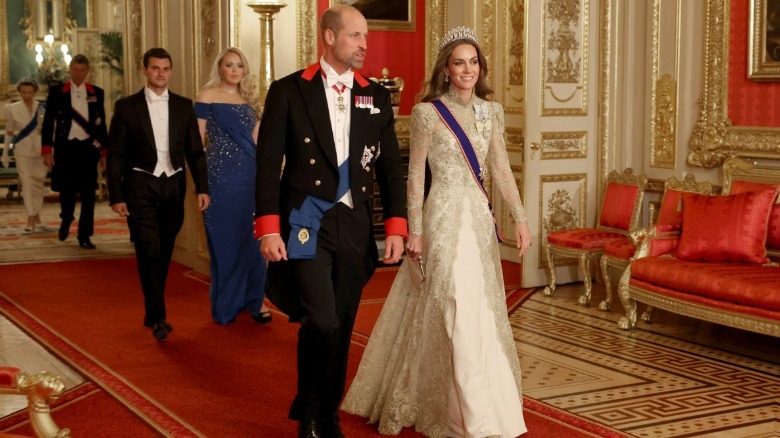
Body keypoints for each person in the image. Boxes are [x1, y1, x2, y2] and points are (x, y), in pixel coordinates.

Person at [341, 26, 532, 438]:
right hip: (442, 216)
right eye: (459, 62)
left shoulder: (491, 112)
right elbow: (414, 176)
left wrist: (519, 216)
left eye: (473, 62)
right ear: (446, 69)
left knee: (480, 309)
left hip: (478, 221)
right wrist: (416, 230)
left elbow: (500, 168)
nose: (467, 69)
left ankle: (483, 409)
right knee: (454, 302)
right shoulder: (429, 113)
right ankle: (463, 414)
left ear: (480, 68)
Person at [254, 5, 408, 438]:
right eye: (355, 36)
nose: (364, 44)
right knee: (320, 320)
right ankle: (310, 412)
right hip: (306, 223)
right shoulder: (288, 90)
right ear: (328, 37)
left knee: (339, 326)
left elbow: (390, 169)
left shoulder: (375, 96)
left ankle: (326, 414)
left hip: (354, 227)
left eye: (365, 36)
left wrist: (396, 226)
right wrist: (267, 227)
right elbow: (268, 165)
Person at [106, 48, 210, 341]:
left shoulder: (182, 106)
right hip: (140, 185)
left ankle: (152, 309)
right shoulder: (127, 107)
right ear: (145, 70)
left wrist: (202, 188)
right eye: (155, 69)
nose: (160, 74)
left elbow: (195, 152)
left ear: (170, 71)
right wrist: (117, 195)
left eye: (165, 69)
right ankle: (159, 317)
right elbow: (116, 154)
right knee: (148, 249)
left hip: (173, 186)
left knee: (163, 251)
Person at [195, 48, 271, 325]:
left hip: (250, 177)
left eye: (240, 65)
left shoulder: (250, 101)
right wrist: (200, 183)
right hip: (219, 179)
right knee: (226, 242)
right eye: (229, 65)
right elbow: (196, 143)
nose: (235, 70)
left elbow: (259, 142)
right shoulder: (206, 97)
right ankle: (227, 304)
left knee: (253, 240)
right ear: (220, 68)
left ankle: (256, 300)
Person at [40, 54, 108, 249]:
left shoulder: (97, 92)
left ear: (87, 72)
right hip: (65, 147)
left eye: (82, 70)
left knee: (89, 194)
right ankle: (66, 218)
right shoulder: (57, 92)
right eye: (75, 70)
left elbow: (101, 123)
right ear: (70, 70)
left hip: (88, 148)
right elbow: (48, 123)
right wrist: (47, 150)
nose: (78, 74)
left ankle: (84, 235)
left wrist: (104, 152)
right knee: (67, 192)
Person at [3, 78, 48, 232]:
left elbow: (48, 132)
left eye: (29, 92)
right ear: (19, 92)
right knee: (27, 183)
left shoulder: (42, 108)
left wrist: (51, 151)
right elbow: (9, 132)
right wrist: (4, 154)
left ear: (34, 92)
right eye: (24, 92)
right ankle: (30, 216)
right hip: (22, 149)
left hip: (40, 149)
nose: (26, 95)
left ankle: (36, 214)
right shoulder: (12, 108)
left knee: (38, 182)